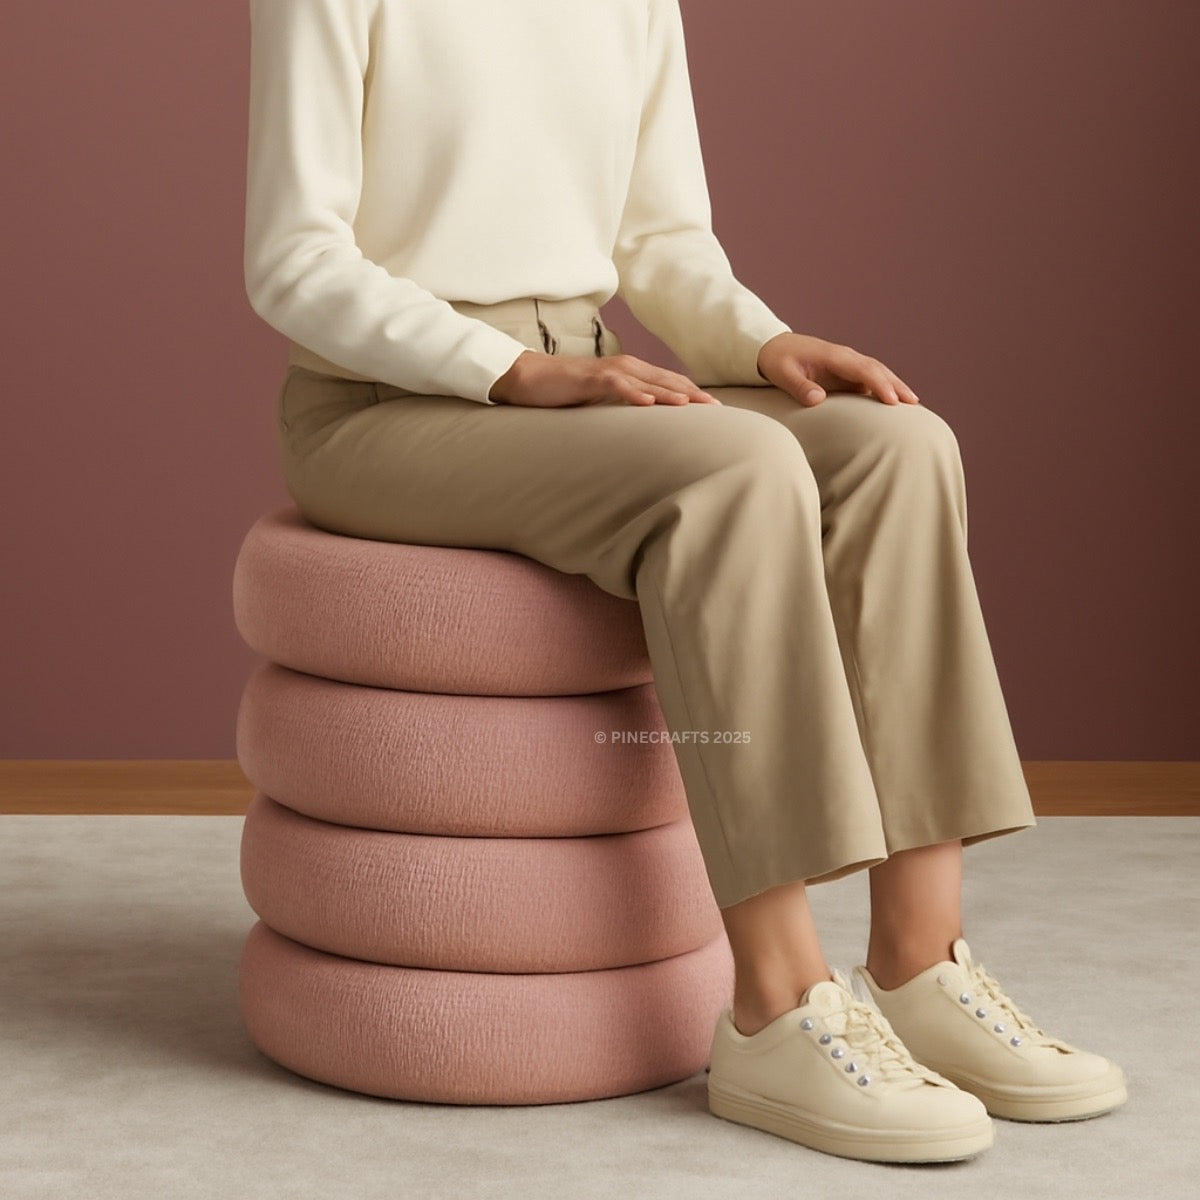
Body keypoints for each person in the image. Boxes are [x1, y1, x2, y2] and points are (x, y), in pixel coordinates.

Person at [243, 0, 1126, 1165]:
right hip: (390, 401)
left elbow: (662, 246)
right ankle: (776, 1002)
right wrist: (511, 370)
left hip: (587, 369)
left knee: (901, 448)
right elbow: (292, 260)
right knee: (735, 469)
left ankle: (920, 962)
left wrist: (764, 346)